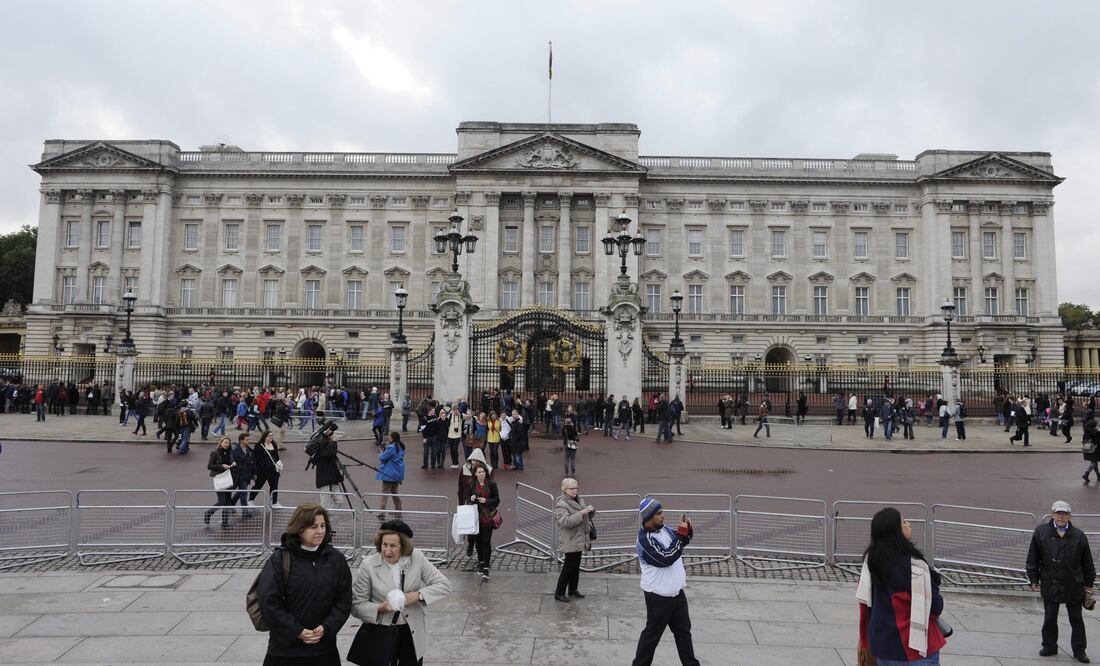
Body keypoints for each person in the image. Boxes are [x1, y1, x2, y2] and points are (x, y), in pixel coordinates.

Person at [257, 503, 352, 666]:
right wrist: (297, 631)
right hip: (285, 652)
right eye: (313, 526)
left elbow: (344, 600)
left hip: (324, 649)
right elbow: (268, 602)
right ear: (299, 529)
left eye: (323, 526)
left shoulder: (336, 559)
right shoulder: (280, 559)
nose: (320, 531)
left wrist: (327, 627)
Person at [349, 520, 453, 666]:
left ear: (404, 546)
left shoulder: (417, 558)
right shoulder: (369, 565)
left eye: (393, 546)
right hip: (382, 632)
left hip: (412, 632)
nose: (387, 551)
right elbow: (356, 605)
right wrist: (380, 608)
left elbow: (445, 585)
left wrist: (418, 595)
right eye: (384, 544)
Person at [856, 507, 947, 665]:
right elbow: (935, 607)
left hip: (882, 646)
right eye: (904, 521)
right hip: (914, 649)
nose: (909, 524)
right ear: (895, 531)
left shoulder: (870, 563)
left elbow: (866, 606)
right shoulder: (915, 567)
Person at [632, 497, 698, 666]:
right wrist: (682, 537)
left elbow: (681, 542)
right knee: (651, 637)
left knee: (684, 633)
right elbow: (665, 558)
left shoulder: (666, 530)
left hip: (676, 594)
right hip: (658, 597)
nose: (664, 516)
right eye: (659, 513)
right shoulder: (644, 540)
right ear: (649, 517)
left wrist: (687, 530)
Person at [1027, 500, 1095, 662]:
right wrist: (1033, 578)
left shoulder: (1079, 536)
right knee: (1050, 617)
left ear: (1069, 516)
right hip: (1051, 582)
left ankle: (1079, 650)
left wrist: (1089, 586)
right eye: (1058, 513)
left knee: (1076, 619)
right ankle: (1049, 646)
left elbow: (1088, 563)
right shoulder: (1040, 532)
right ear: (1052, 514)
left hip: (1074, 584)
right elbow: (1032, 558)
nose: (1061, 517)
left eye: (1064, 514)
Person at [554, 477, 594, 602]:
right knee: (568, 567)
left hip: (579, 538)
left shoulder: (578, 499)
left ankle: (572, 589)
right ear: (564, 489)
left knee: (575, 566)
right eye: (571, 488)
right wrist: (581, 513)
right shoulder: (561, 504)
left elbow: (585, 518)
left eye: (576, 488)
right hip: (570, 540)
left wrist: (590, 511)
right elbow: (565, 522)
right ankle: (559, 592)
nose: (575, 490)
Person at [466, 463, 499, 579]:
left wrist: (486, 501)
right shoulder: (472, 484)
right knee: (478, 541)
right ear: (475, 474)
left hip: (487, 517)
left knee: (486, 541)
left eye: (483, 472)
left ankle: (486, 566)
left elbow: (497, 500)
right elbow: (467, 498)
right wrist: (471, 499)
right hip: (476, 517)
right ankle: (480, 562)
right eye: (479, 472)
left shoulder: (491, 484)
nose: (482, 474)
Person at [204, 436, 236, 528]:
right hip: (220, 478)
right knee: (222, 501)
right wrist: (222, 466)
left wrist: (233, 463)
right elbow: (209, 466)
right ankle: (208, 513)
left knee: (228, 502)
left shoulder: (230, 452)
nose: (227, 444)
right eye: (225, 442)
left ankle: (225, 523)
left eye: (228, 443)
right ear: (221, 443)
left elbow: (232, 461)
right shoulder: (215, 453)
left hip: (229, 478)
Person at [312, 430, 346, 509]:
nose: (335, 437)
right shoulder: (321, 450)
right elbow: (331, 453)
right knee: (325, 505)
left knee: (339, 501)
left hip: (333, 479)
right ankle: (322, 519)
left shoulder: (328, 448)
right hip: (324, 481)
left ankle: (328, 517)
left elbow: (332, 453)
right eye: (332, 436)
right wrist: (334, 441)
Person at [377, 432, 405, 518]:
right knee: (395, 493)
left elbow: (382, 458)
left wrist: (381, 451)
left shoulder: (391, 448)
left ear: (393, 438)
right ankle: (398, 511)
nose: (388, 438)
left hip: (388, 475)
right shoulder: (400, 447)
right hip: (397, 475)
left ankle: (382, 513)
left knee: (385, 494)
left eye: (389, 437)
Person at [252, 430, 282, 508]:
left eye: (272, 435)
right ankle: (250, 500)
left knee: (274, 486)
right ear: (265, 437)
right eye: (269, 436)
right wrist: (256, 470)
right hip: (262, 470)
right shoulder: (259, 445)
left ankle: (274, 502)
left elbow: (276, 456)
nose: (271, 437)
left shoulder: (274, 444)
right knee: (258, 486)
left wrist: (278, 463)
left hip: (273, 470)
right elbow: (255, 458)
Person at [232, 432, 257, 515]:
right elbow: (233, 462)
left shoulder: (250, 450)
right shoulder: (235, 451)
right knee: (244, 493)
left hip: (248, 475)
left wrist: (254, 474)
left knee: (242, 491)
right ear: (241, 441)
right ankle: (245, 511)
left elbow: (254, 463)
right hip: (240, 475)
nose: (248, 441)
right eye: (247, 440)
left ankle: (232, 502)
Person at [1083, 410, 1100, 482]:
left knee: (1094, 462)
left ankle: (1098, 475)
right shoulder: (1095, 432)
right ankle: (1086, 474)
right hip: (1094, 448)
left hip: (1087, 445)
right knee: (1093, 463)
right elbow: (1098, 441)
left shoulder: (1086, 427)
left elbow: (1084, 437)